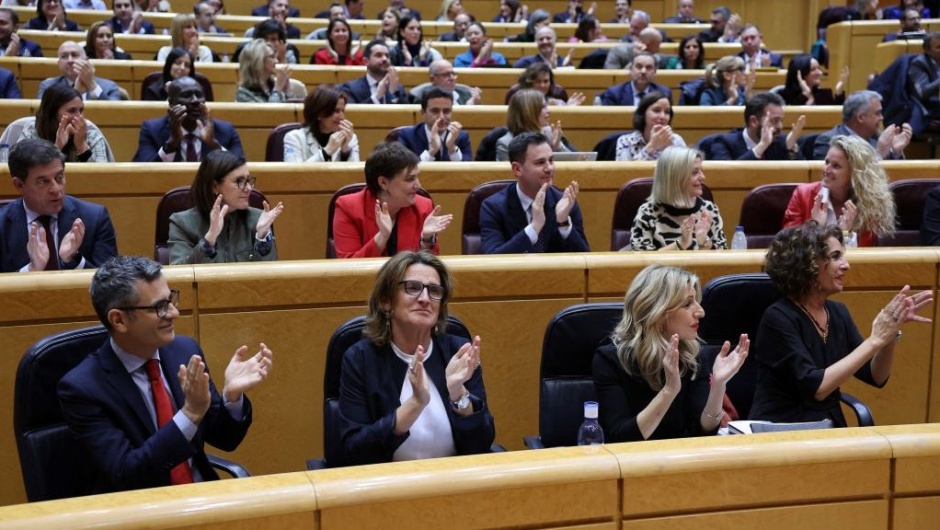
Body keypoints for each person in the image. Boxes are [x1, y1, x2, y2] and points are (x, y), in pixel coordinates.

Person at [58, 255, 273, 492]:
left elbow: (225, 439)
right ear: (118, 320)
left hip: (202, 497)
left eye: (170, 300)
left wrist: (232, 397)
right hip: (142, 512)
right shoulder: (82, 388)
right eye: (159, 307)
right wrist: (190, 413)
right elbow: (127, 472)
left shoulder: (184, 350)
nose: (173, 313)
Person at [749, 222, 932, 426]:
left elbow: (875, 376)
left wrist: (889, 335)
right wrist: (874, 340)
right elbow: (816, 388)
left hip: (828, 426)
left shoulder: (837, 313)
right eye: (836, 257)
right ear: (808, 264)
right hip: (783, 429)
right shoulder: (777, 318)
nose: (846, 265)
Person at [339, 250, 495, 465]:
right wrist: (415, 403)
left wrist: (458, 394)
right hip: (387, 487)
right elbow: (354, 452)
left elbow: (482, 444)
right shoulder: (360, 359)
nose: (424, 299)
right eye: (412, 288)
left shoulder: (458, 353)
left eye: (434, 290)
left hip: (454, 481)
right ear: (386, 301)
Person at [594, 264, 748, 442]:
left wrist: (719, 386)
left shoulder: (693, 356)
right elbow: (622, 438)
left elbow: (702, 431)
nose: (701, 311)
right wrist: (669, 391)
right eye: (687, 303)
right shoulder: (610, 360)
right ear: (658, 313)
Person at [0, 138, 117, 272]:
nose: (56, 189)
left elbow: (112, 287)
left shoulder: (95, 218)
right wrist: (30, 270)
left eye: (59, 177)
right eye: (43, 182)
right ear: (19, 185)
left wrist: (75, 260)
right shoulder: (2, 225)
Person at [333, 142, 451, 258]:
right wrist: (382, 236)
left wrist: (427, 239)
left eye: (417, 177)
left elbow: (431, 268)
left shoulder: (423, 206)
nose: (418, 186)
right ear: (383, 182)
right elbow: (349, 268)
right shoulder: (348, 207)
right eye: (410, 179)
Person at [481, 132, 589, 254]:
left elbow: (584, 260)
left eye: (551, 160)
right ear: (517, 169)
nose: (550, 168)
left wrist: (564, 223)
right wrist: (534, 227)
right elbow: (493, 260)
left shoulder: (565, 203)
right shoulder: (493, 207)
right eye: (540, 162)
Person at [169, 151, 282, 264]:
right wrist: (209, 240)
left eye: (248, 181)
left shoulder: (257, 219)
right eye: (239, 181)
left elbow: (272, 277)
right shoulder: (182, 223)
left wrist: (262, 238)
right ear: (214, 186)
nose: (248, 188)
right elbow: (179, 275)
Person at [784, 135, 896, 247]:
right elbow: (788, 248)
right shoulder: (803, 195)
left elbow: (865, 258)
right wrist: (815, 228)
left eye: (836, 166)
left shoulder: (870, 204)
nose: (826, 170)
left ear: (855, 174)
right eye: (827, 162)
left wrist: (845, 235)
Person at [630, 146, 726, 251]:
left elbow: (721, 261)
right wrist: (681, 243)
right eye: (695, 172)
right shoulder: (648, 213)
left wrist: (703, 241)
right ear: (675, 178)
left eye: (701, 171)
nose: (702, 177)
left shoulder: (709, 209)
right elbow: (642, 262)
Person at [134, 76, 244, 162]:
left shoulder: (225, 130)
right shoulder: (152, 130)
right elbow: (144, 173)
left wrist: (214, 146)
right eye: (186, 95)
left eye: (199, 94)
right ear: (172, 103)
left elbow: (242, 171)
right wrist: (172, 143)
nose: (195, 101)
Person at [16, 84, 111, 162]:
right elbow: (21, 171)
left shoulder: (91, 133)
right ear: (52, 113)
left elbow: (102, 178)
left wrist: (81, 146)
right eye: (71, 111)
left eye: (81, 110)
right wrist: (56, 148)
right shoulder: (32, 132)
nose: (79, 117)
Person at [812, 90, 911, 160]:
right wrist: (879, 154)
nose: (882, 118)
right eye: (877, 113)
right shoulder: (828, 142)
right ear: (860, 117)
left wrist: (895, 152)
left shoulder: (878, 138)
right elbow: (841, 181)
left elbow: (896, 179)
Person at [710, 93, 805, 161]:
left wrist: (791, 148)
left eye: (781, 121)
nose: (780, 126)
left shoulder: (781, 141)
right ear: (754, 122)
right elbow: (727, 176)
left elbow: (800, 178)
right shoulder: (723, 143)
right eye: (775, 121)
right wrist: (762, 146)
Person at [284, 86, 359, 162]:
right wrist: (326, 152)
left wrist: (345, 152)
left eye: (343, 111)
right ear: (319, 113)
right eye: (336, 111)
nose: (342, 117)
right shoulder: (294, 138)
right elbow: (294, 173)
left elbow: (356, 173)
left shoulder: (350, 138)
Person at [496, 89, 574, 161]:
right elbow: (509, 174)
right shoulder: (506, 144)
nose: (549, 110)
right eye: (543, 107)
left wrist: (557, 148)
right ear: (528, 112)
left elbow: (575, 164)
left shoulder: (549, 132)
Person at [396, 87, 471, 162]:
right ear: (423, 113)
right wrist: (432, 151)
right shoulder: (407, 136)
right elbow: (403, 169)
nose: (441, 117)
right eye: (435, 111)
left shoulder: (461, 137)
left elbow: (468, 172)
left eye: (446, 111)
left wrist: (452, 149)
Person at [38, 41, 123, 101]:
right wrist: (76, 93)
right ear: (59, 63)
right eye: (64, 56)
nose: (70, 60)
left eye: (75, 55)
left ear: (86, 60)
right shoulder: (48, 87)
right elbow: (44, 115)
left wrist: (92, 85)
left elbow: (114, 113)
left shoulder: (109, 86)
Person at [616, 92, 686, 161]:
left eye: (667, 112)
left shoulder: (676, 140)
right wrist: (652, 146)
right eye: (656, 110)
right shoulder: (625, 141)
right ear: (643, 114)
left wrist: (671, 151)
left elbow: (686, 170)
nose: (662, 116)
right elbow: (625, 172)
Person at [339, 40, 409, 104]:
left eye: (387, 56)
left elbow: (408, 115)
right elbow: (353, 115)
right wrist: (376, 97)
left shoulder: (398, 88)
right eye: (379, 55)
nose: (385, 59)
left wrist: (394, 92)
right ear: (366, 61)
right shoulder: (350, 88)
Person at [597, 52, 672, 106]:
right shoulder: (614, 94)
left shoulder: (664, 93)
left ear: (654, 72)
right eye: (639, 67)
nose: (643, 71)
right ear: (630, 70)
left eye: (648, 68)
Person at [778, 54, 847, 106]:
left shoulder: (824, 95)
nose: (820, 73)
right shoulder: (782, 96)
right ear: (801, 73)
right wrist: (805, 94)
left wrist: (839, 91)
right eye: (813, 69)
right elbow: (790, 117)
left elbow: (837, 117)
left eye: (819, 68)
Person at [506, 63, 582, 106]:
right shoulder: (518, 101)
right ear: (529, 82)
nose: (542, 85)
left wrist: (568, 109)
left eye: (546, 81)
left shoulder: (558, 102)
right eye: (538, 81)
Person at [410, 59, 481, 106]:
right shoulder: (421, 98)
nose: (452, 78)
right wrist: (467, 109)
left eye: (453, 74)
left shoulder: (466, 93)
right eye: (446, 75)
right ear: (432, 79)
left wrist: (475, 105)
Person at [907, 32, 940, 121]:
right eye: (938, 47)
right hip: (929, 107)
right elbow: (923, 92)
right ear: (927, 50)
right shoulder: (919, 63)